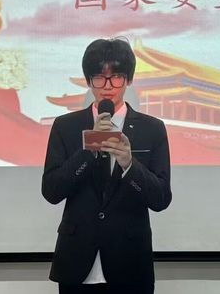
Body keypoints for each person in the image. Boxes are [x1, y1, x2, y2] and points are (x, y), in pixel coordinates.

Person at [42, 38, 172, 294]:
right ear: (89, 81)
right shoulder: (65, 127)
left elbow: (160, 199)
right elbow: (51, 191)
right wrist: (88, 151)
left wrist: (129, 165)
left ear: (129, 80)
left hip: (130, 264)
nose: (108, 86)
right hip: (77, 264)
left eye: (117, 77)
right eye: (99, 78)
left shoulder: (152, 129)